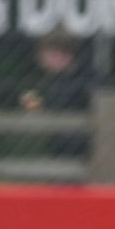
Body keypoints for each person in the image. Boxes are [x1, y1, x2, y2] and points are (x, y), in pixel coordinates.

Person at [18, 29, 92, 158]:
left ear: (61, 53)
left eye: (45, 55)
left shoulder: (89, 80)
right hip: (59, 150)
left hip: (84, 151)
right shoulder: (52, 81)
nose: (41, 60)